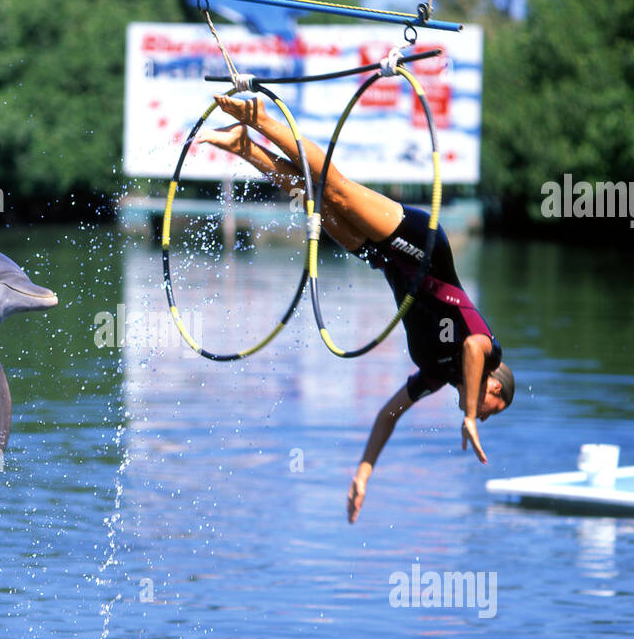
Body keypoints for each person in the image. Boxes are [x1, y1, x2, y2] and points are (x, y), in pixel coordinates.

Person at [198, 93, 515, 523]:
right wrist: (473, 419)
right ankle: (260, 119)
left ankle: (245, 146)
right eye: (488, 409)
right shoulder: (487, 350)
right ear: (493, 389)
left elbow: (388, 414)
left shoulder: (436, 376)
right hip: (420, 247)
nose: (478, 413)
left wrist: (364, 472)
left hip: (385, 261)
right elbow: (474, 348)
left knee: (317, 202)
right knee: (338, 191)